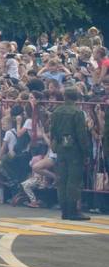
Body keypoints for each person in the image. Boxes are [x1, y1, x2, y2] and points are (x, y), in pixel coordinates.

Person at [49, 85, 91, 220]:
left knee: (62, 180)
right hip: (74, 150)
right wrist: (86, 152)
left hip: (60, 148)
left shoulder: (56, 111)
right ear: (77, 97)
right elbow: (81, 135)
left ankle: (64, 210)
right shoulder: (77, 112)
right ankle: (73, 211)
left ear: (65, 96)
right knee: (73, 181)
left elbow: (52, 131)